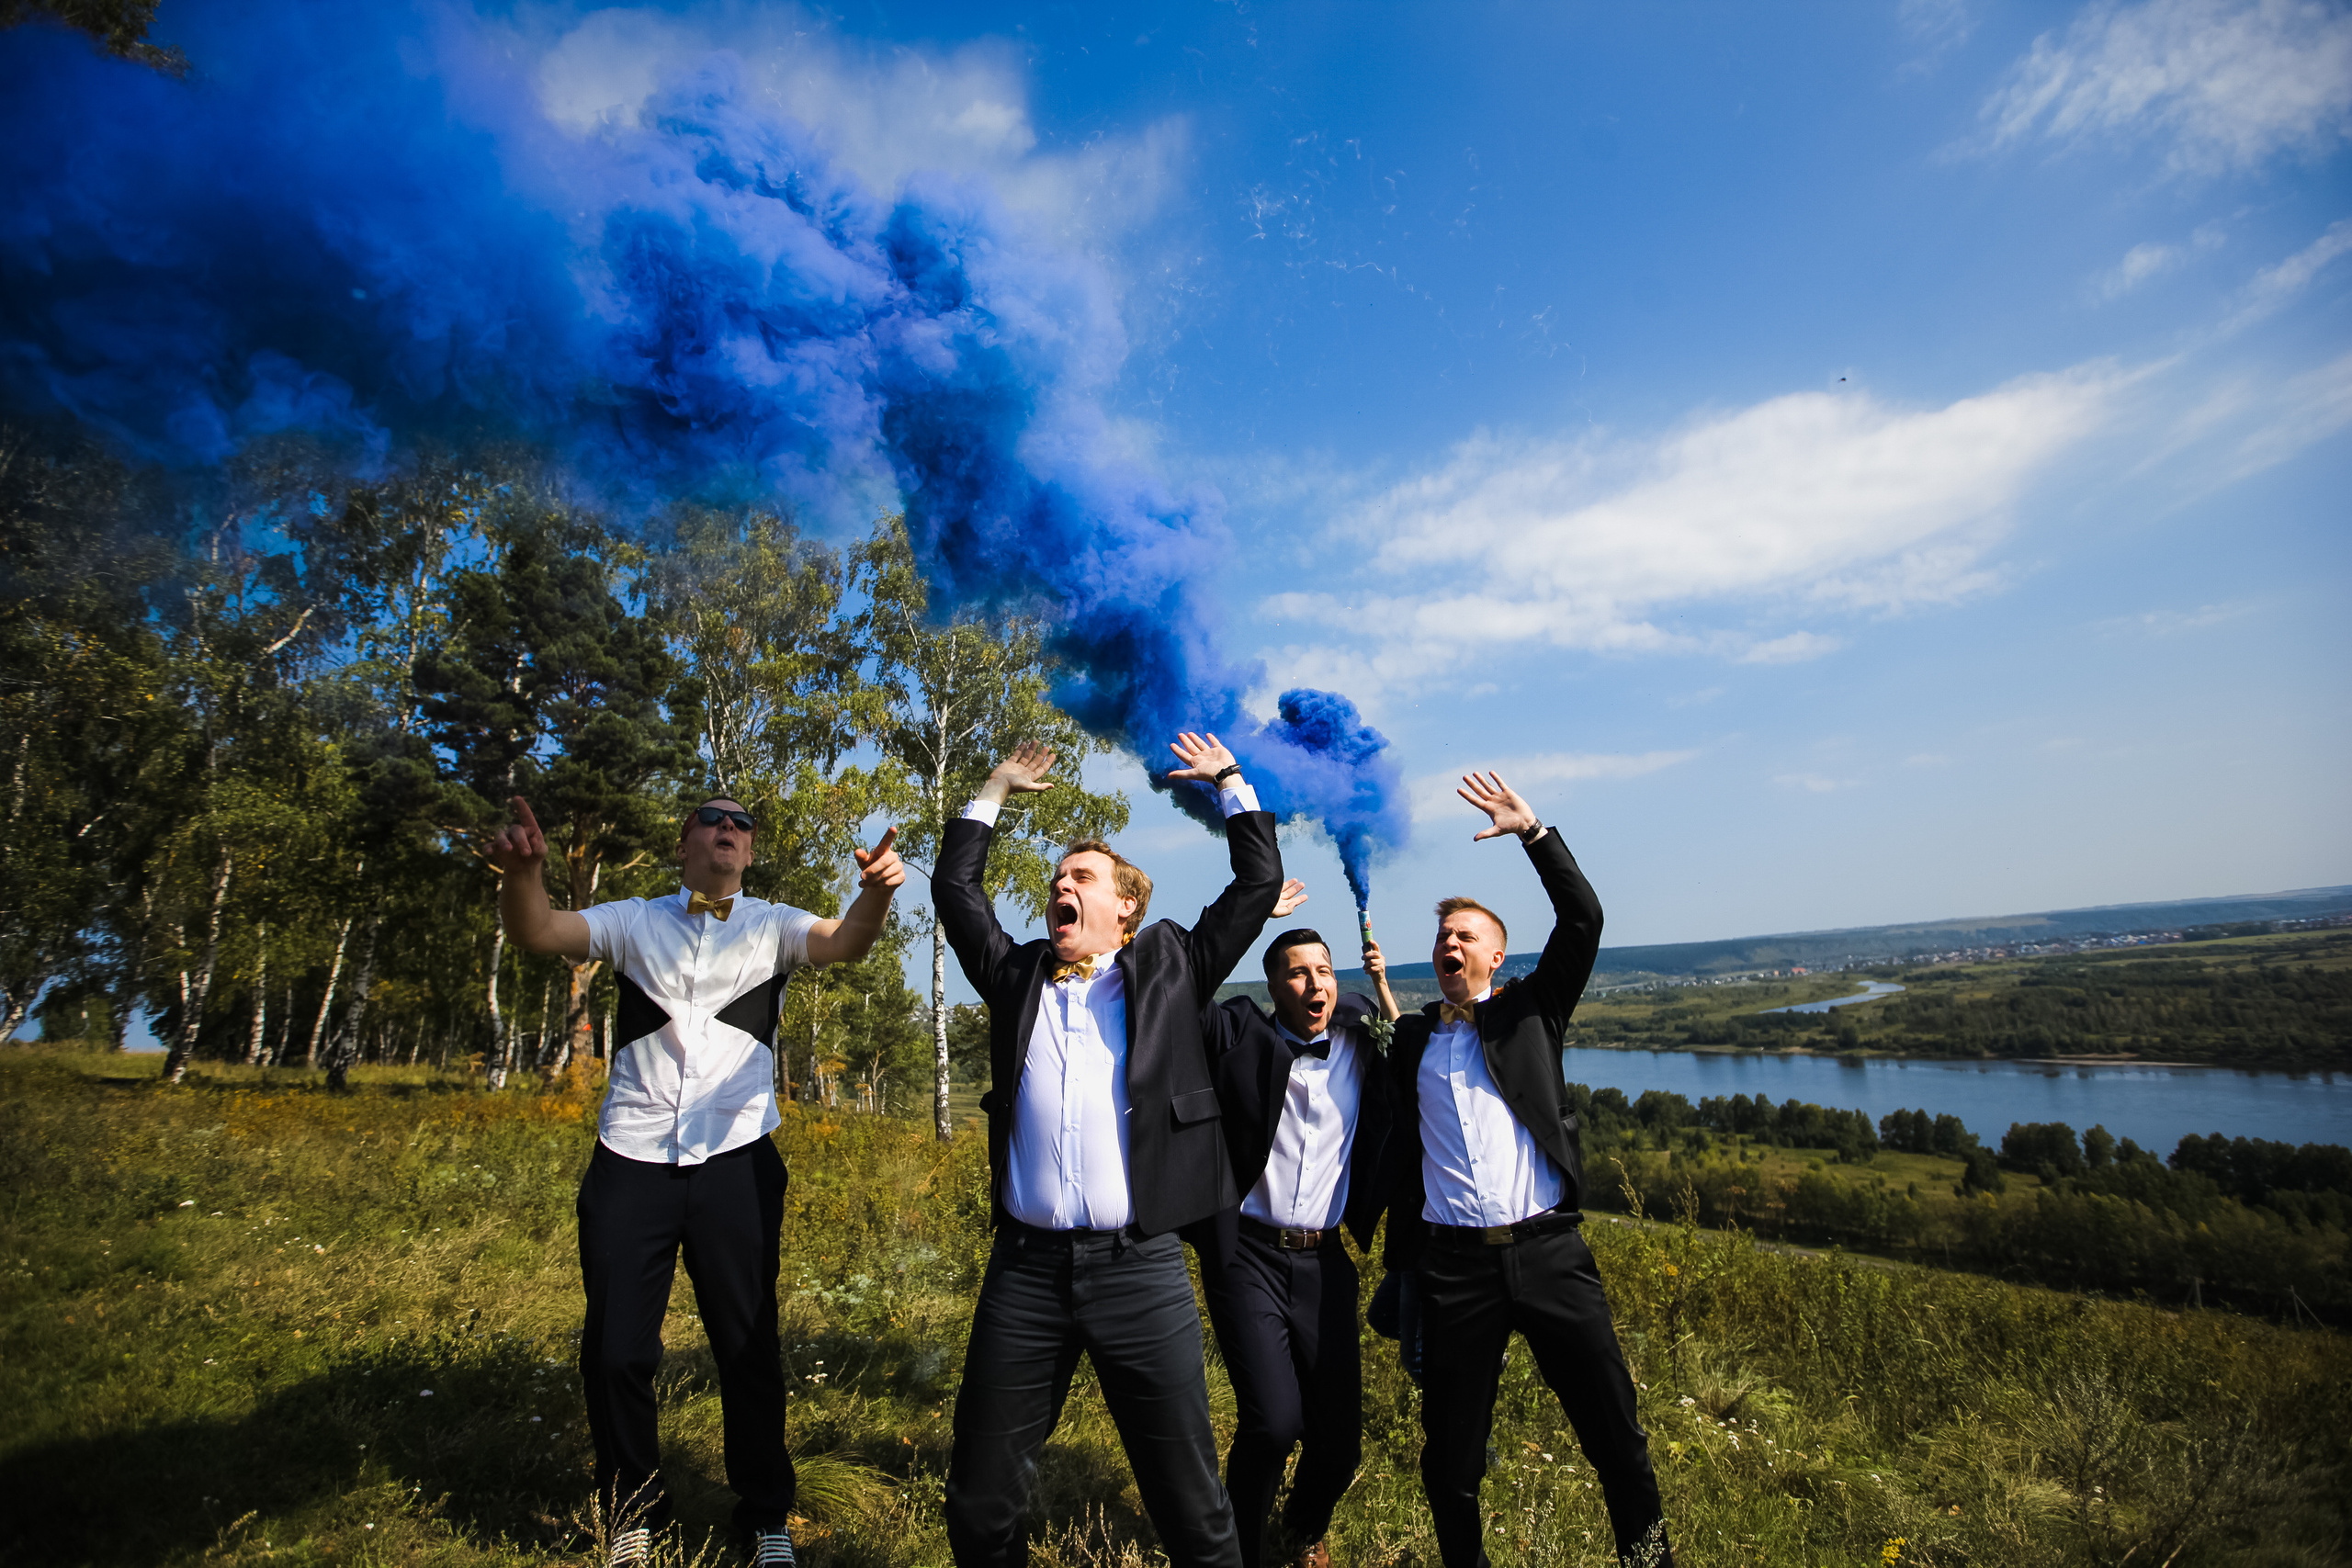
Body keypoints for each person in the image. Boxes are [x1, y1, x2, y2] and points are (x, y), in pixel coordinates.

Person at [488, 794, 906, 1568]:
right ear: (684, 843)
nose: (728, 829)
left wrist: (877, 890)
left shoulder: (775, 923)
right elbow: (539, 929)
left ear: (747, 854)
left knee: (747, 1347)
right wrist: (527, 874)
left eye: (741, 825)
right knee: (615, 1352)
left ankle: (765, 1515)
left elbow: (847, 943)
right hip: (630, 1161)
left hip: (739, 1164)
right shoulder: (632, 920)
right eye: (712, 820)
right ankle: (632, 1514)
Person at [935, 735, 1282, 1568]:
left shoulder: (1172, 968)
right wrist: (994, 787)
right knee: (981, 1499)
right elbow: (955, 887)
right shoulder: (1015, 975)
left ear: (1125, 906)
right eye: (1058, 877)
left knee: (1191, 1505)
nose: (1062, 884)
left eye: (1082, 876)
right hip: (1024, 1273)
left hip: (1140, 1268)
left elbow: (1258, 883)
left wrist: (1229, 783)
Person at [1383, 773, 1673, 1568]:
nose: (1450, 945)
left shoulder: (1533, 1010)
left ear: (1496, 953)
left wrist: (1534, 833)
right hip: (1455, 1271)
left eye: (1466, 935)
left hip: (1550, 1255)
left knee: (1615, 1432)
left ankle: (1650, 1563)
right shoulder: (1411, 1040)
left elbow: (1585, 918)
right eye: (1442, 937)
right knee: (1451, 1458)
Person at [1188, 900, 1401, 1568]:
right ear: (1272, 985)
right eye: (1298, 974)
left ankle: (1299, 1529)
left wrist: (1387, 989)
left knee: (1339, 1445)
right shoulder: (1236, 1033)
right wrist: (1247, 909)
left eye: (1324, 971)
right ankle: (1240, 1552)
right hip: (1247, 1255)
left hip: (1326, 1261)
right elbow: (1184, 991)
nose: (1316, 984)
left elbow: (1418, 1056)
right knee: (1274, 1422)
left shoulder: (1363, 1034)